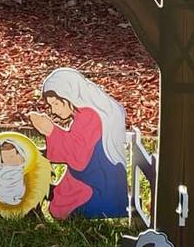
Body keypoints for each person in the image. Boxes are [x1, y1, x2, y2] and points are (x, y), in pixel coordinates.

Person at [27, 67, 129, 220]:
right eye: (51, 106)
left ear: (68, 96)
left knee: (62, 206)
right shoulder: (86, 114)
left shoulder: (90, 116)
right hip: (92, 176)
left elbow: (78, 157)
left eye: (56, 104)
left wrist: (50, 130)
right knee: (59, 199)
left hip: (99, 184)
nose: (53, 111)